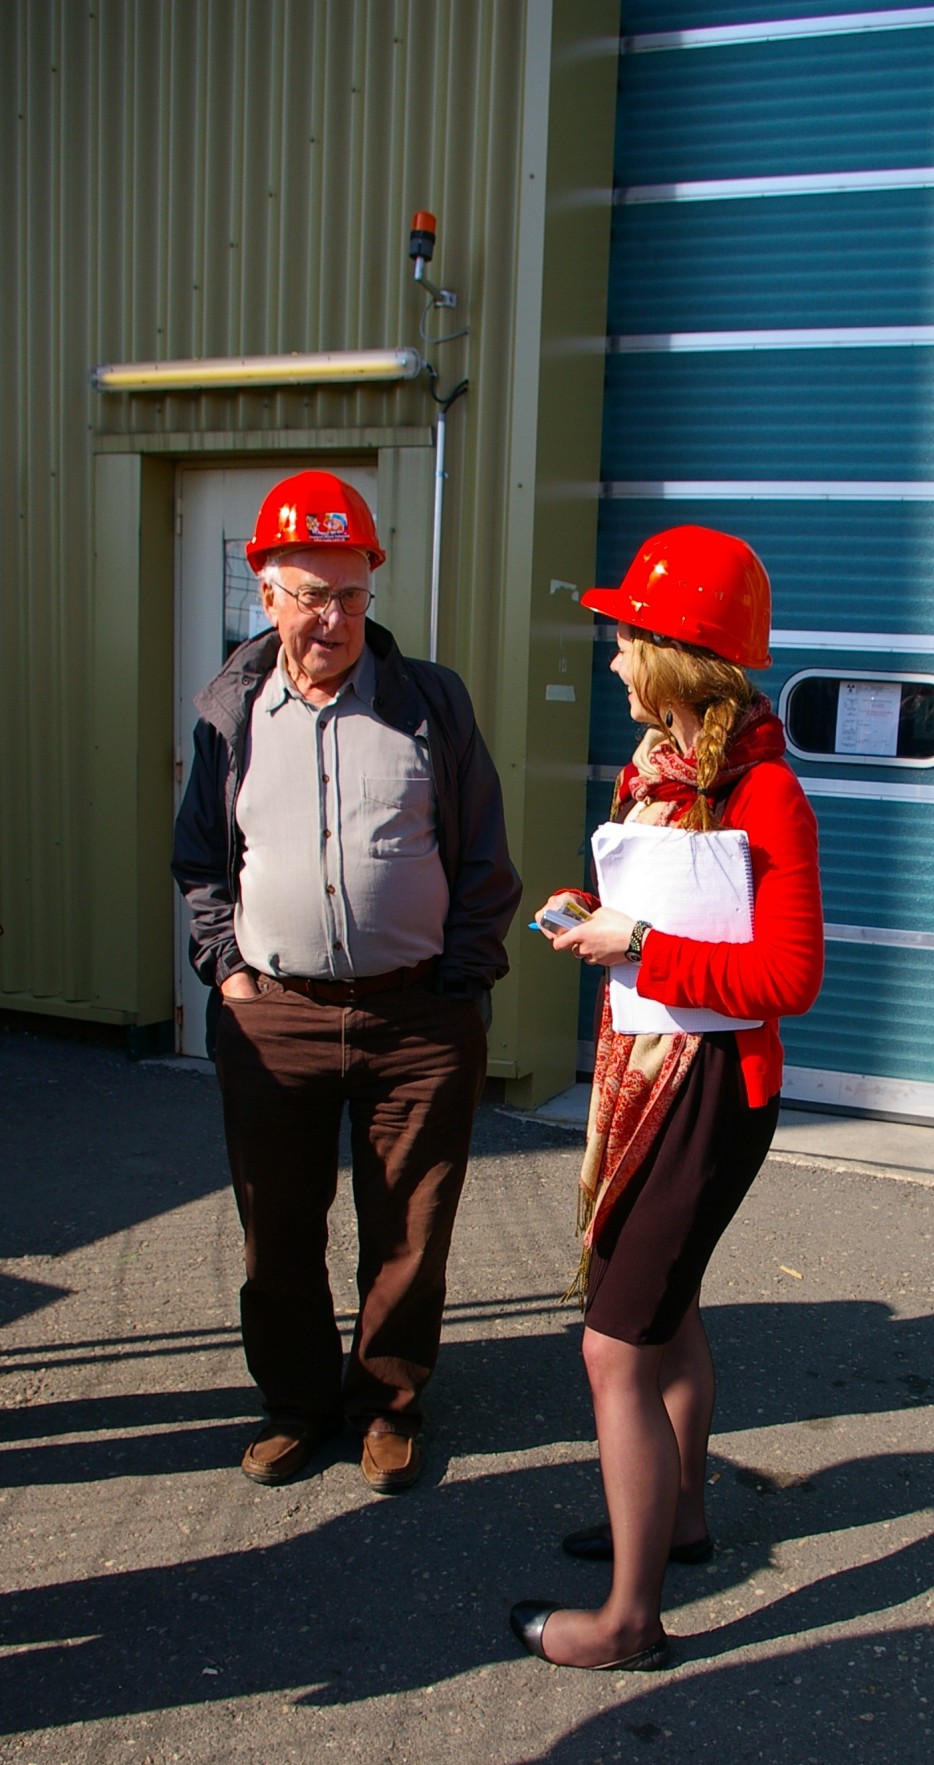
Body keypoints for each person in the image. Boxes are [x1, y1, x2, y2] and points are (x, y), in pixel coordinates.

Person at [509, 525, 824, 1670]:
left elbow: (787, 977)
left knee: (613, 1343)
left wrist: (637, 939)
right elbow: (657, 907)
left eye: (625, 639)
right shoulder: (657, 771)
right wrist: (589, 909)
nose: (610, 659)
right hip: (651, 1069)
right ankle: (679, 1518)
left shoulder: (764, 790)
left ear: (678, 654)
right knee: (666, 1309)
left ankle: (629, 1619)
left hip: (709, 1091)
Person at [172, 469, 521, 1493]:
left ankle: (386, 1402)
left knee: (409, 1224)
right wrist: (228, 973)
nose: (332, 618)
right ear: (265, 595)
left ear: (373, 586)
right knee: (276, 1226)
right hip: (274, 1016)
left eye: (352, 593)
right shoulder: (229, 711)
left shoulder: (429, 702)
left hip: (417, 1014)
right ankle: (296, 1401)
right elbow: (200, 863)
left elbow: (484, 858)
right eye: (310, 594)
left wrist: (458, 984)